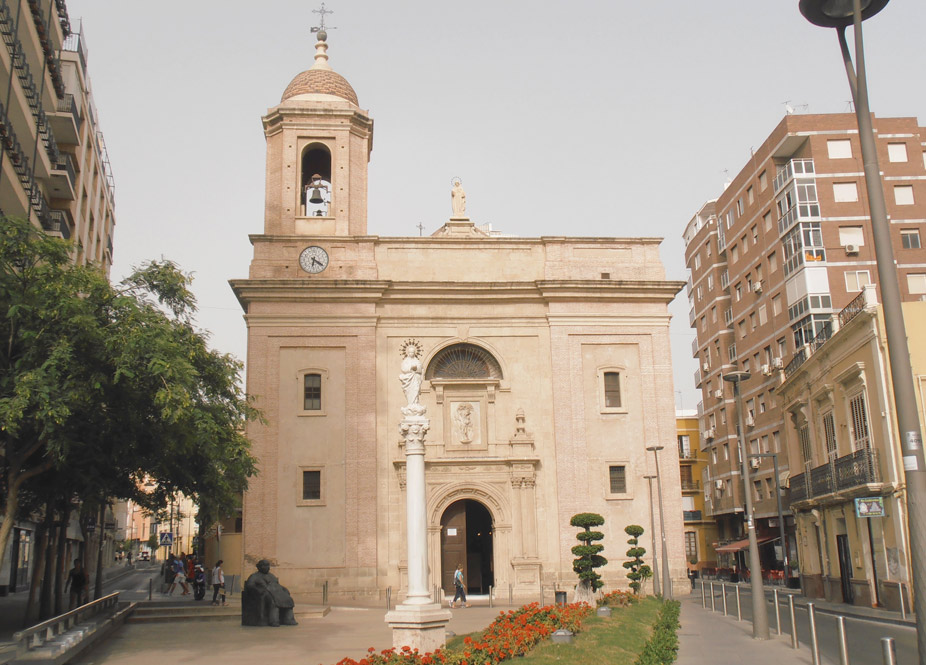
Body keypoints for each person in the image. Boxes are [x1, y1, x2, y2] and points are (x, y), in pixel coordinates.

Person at [241, 559, 297, 626]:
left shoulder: (271, 576)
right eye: (265, 565)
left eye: (268, 565)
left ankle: (289, 620)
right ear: (259, 567)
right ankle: (274, 621)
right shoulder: (254, 576)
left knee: (288, 600)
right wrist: (258, 590)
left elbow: (277, 584)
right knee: (273, 601)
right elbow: (250, 585)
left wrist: (284, 589)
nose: (267, 567)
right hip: (264, 594)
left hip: (275, 592)